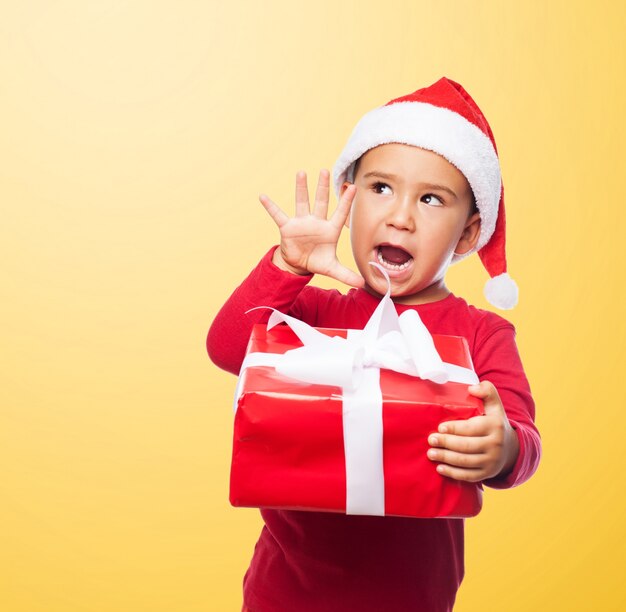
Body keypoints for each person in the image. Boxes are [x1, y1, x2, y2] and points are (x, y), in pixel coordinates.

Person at [207, 76, 541, 612]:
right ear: (349, 199)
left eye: (431, 199)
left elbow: (523, 435)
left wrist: (503, 448)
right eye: (380, 188)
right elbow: (227, 347)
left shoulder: (483, 334)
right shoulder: (313, 312)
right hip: (282, 594)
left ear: (467, 234)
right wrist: (288, 267)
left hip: (411, 600)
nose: (400, 217)